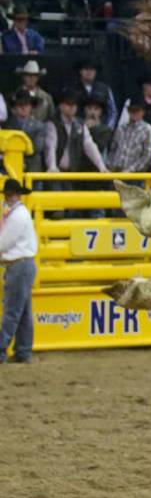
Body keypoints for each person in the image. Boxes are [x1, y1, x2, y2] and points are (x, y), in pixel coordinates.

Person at [0, 179, 38, 364]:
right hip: (23, 264)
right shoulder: (20, 214)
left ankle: (2, 349)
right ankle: (23, 350)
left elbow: (4, 242)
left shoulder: (16, 216)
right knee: (22, 311)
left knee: (13, 311)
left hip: (18, 265)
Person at [108, 97, 151, 173]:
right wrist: (110, 166)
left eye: (137, 110)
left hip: (135, 174)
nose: (134, 113)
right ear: (128, 111)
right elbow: (113, 149)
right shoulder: (121, 129)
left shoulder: (149, 130)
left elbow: (147, 157)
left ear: (143, 112)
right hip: (115, 170)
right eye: (132, 110)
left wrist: (130, 170)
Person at [4, 91, 46, 172]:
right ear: (15, 107)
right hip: (11, 168)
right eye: (20, 105)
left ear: (31, 106)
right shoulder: (7, 125)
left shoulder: (39, 126)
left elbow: (37, 147)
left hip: (33, 170)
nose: (23, 108)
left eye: (26, 104)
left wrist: (20, 154)